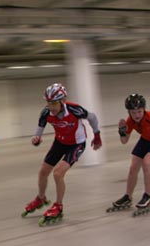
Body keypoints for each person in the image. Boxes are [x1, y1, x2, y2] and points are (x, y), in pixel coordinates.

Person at [22, 83, 102, 223]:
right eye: (48, 102)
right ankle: (41, 198)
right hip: (60, 142)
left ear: (62, 101)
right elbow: (39, 131)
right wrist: (37, 138)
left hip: (76, 144)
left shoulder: (74, 109)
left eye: (54, 103)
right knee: (43, 172)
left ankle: (58, 206)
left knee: (58, 173)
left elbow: (93, 117)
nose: (51, 107)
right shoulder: (46, 112)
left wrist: (97, 135)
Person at [109, 93, 150, 211]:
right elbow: (124, 141)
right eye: (133, 112)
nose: (136, 115)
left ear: (144, 110)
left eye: (139, 111)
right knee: (133, 167)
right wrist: (121, 131)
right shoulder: (130, 121)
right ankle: (128, 196)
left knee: (147, 163)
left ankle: (147, 196)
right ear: (129, 112)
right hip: (145, 139)